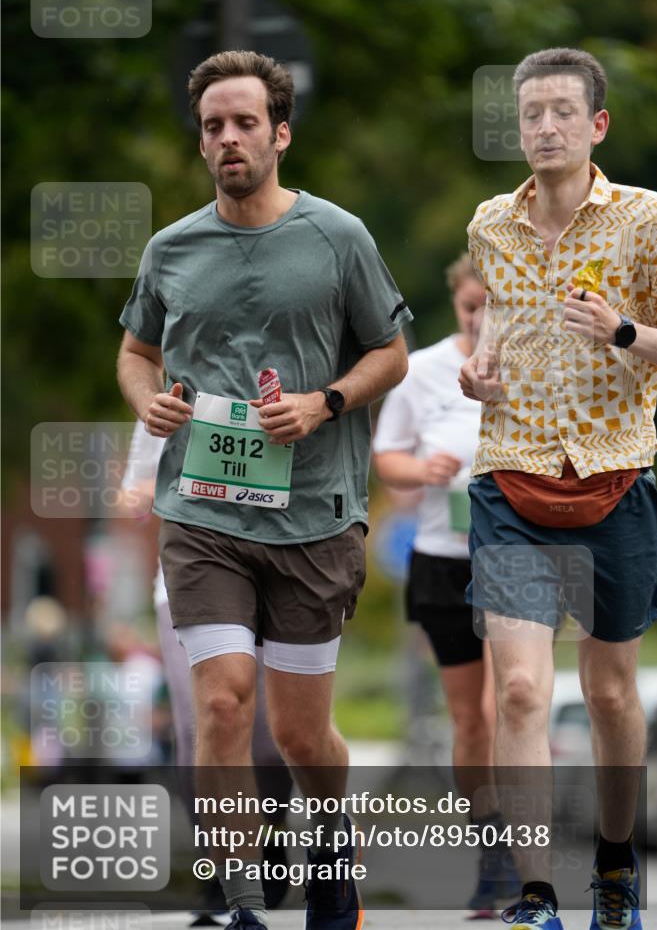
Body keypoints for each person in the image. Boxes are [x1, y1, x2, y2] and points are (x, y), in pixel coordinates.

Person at [117, 50, 412, 930]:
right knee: (219, 703)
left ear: (280, 134)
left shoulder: (337, 236)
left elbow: (390, 353)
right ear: (200, 142)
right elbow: (136, 352)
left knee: (299, 735)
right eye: (213, 125)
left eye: (245, 122)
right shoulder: (171, 249)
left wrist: (326, 404)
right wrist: (148, 401)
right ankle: (242, 901)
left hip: (313, 516)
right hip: (201, 512)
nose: (228, 138)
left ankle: (333, 848)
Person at [459, 47, 657, 930]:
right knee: (516, 691)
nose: (544, 128)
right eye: (530, 114)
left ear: (596, 125)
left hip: (614, 479)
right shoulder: (489, 225)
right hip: (509, 482)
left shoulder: (647, 219)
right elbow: (497, 328)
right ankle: (536, 894)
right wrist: (478, 373)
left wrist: (622, 331)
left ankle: (614, 866)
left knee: (611, 694)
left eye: (561, 112)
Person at [373, 254, 520, 915]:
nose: (481, 318)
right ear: (456, 304)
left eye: (494, 305)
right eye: (470, 307)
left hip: (516, 557)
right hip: (442, 559)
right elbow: (387, 458)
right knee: (469, 718)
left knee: (510, 702)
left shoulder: (538, 363)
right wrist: (421, 470)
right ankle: (492, 852)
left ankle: (524, 853)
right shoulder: (424, 370)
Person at [119, 419, 294, 924]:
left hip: (278, 574)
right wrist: (142, 496)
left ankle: (269, 835)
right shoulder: (172, 399)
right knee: (202, 724)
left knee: (269, 737)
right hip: (187, 580)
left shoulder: (288, 394)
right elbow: (134, 489)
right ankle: (221, 869)